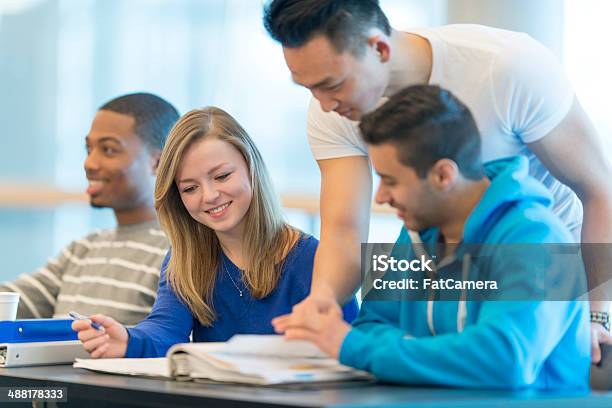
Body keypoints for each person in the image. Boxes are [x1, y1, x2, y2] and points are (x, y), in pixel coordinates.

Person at [263, 0, 612, 362]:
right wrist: (323, 300)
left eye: (330, 84)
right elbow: (344, 230)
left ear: (379, 48)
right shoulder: (336, 110)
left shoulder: (508, 67)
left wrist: (596, 316)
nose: (322, 104)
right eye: (308, 88)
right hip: (450, 280)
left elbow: (599, 191)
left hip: (541, 274)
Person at [273, 85, 590, 389]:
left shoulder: (538, 239)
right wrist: (442, 353)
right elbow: (370, 325)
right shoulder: (414, 233)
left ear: (443, 175)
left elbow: (504, 358)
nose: (381, 196)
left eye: (391, 181)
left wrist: (353, 347)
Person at [72, 107, 358, 358]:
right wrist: (128, 340)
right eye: (190, 188)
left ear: (251, 167)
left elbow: (346, 348)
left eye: (222, 176)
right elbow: (165, 331)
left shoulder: (316, 259)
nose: (209, 196)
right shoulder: (185, 259)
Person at [0, 93, 178, 326]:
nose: (89, 163)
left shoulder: (178, 252)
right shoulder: (83, 249)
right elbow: (11, 302)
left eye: (109, 150)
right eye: (89, 149)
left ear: (157, 162)